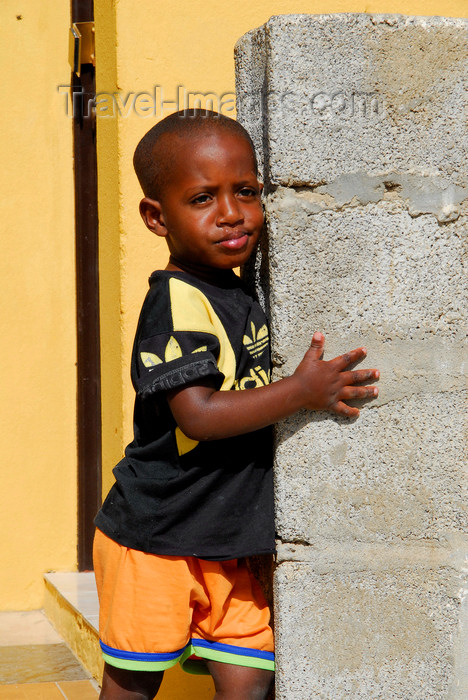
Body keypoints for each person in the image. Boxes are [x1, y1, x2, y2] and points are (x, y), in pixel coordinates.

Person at [93, 109, 380, 700]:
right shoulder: (173, 300)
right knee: (132, 685)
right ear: (156, 217)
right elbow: (197, 412)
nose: (231, 214)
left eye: (245, 191)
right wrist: (302, 391)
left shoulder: (240, 286)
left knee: (250, 682)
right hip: (155, 538)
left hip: (231, 540)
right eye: (202, 198)